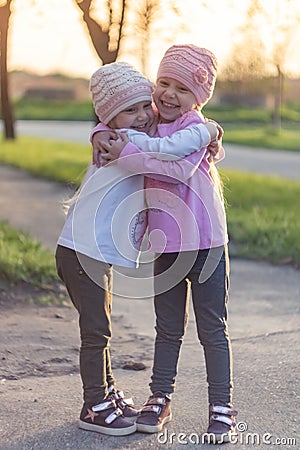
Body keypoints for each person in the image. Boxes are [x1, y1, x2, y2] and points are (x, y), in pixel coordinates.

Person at [55, 61, 221, 437]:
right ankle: (94, 405)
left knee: (103, 328)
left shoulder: (126, 139)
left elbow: (164, 140)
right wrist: (208, 130)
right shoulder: (117, 146)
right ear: (112, 118)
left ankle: (107, 392)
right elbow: (166, 160)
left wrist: (207, 131)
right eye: (131, 110)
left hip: (96, 255)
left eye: (146, 104)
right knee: (96, 332)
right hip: (82, 252)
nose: (145, 114)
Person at [93, 45, 237, 444]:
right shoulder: (151, 122)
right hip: (165, 243)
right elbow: (119, 119)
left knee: (212, 327)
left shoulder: (195, 130)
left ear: (199, 98)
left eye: (182, 89)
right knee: (168, 327)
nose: (169, 95)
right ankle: (160, 397)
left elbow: (173, 171)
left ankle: (221, 406)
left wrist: (126, 154)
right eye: (164, 83)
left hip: (205, 243)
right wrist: (102, 134)